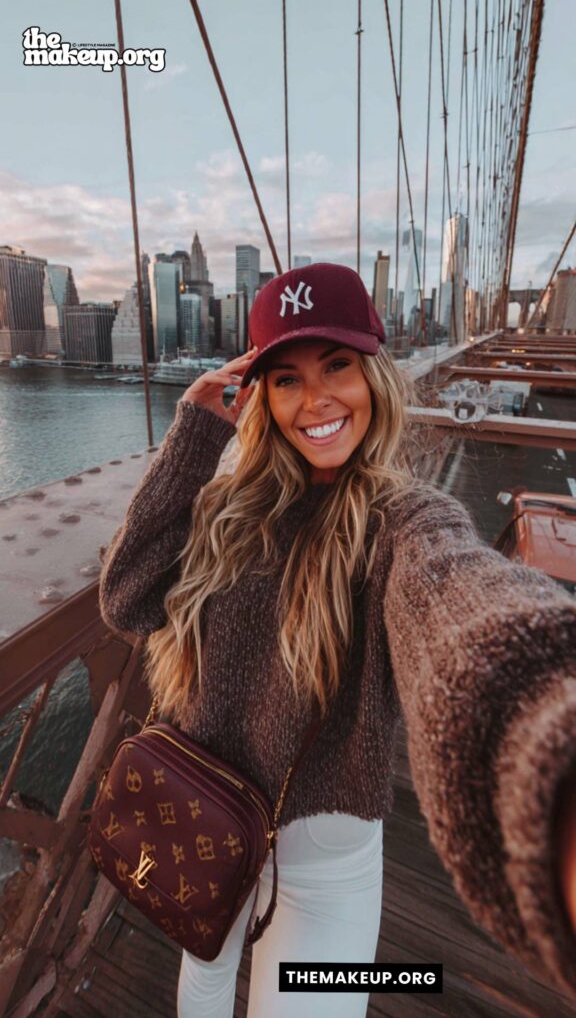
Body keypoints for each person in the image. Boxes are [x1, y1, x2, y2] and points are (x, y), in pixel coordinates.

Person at [99, 262, 576, 1017]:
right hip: (202, 817)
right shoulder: (228, 509)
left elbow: (459, 604)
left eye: (337, 367)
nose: (315, 399)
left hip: (321, 866)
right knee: (204, 978)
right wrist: (195, 430)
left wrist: (546, 719)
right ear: (262, 397)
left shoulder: (406, 521)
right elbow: (127, 598)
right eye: (286, 379)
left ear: (375, 376)